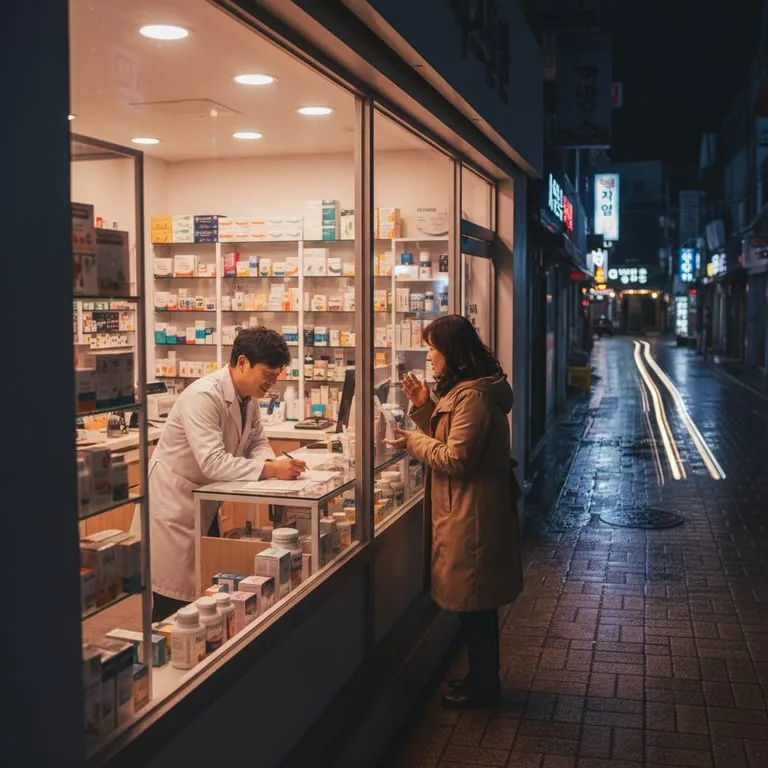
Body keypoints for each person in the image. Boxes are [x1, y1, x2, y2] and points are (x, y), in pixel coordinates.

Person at [386, 314, 523, 709]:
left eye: (433, 349)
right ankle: (481, 679)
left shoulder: (473, 397)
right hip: (466, 510)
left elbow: (456, 456)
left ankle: (484, 687)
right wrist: (424, 406)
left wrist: (414, 442)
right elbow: (451, 435)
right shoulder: (465, 390)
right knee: (474, 607)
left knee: (476, 607)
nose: (429, 357)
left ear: (453, 353)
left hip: (472, 515)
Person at [145, 327, 306, 621]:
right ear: (242, 362)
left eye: (276, 376)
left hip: (203, 502)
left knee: (206, 596)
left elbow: (257, 442)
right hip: (173, 508)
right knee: (173, 606)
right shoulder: (203, 396)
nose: (271, 383)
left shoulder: (248, 398)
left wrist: (270, 464)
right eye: (268, 374)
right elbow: (213, 462)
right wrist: (270, 469)